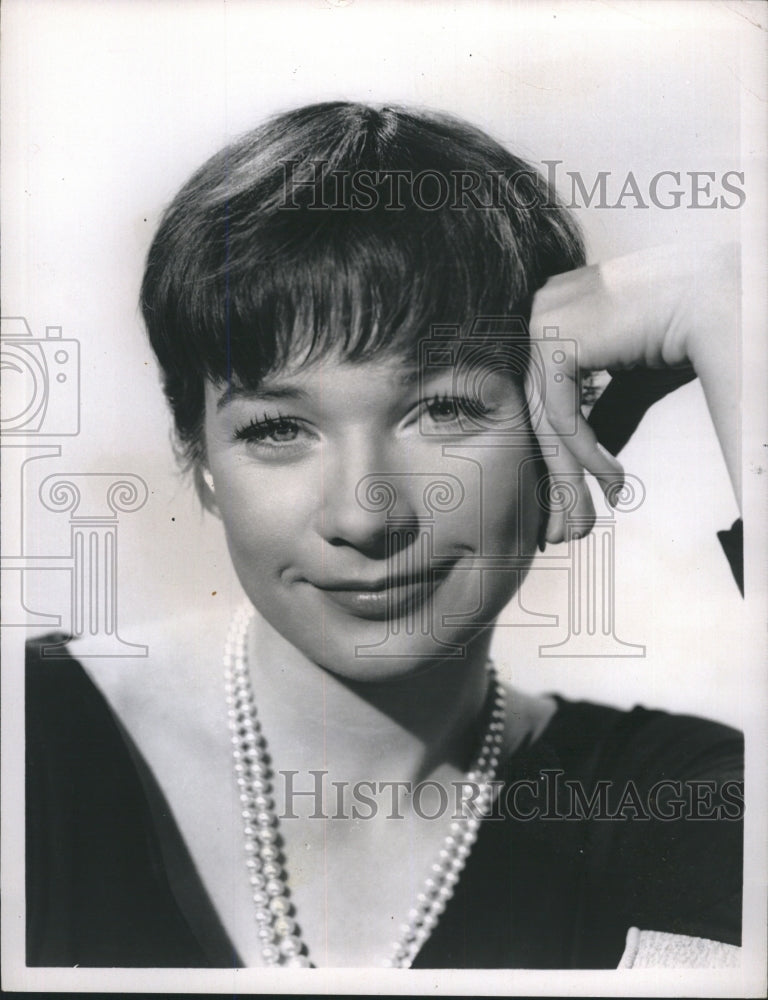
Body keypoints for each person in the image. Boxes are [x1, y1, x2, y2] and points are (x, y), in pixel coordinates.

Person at [26, 102, 743, 970]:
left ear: (557, 425)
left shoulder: (671, 801)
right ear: (202, 460)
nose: (365, 517)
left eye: (441, 409)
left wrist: (732, 316)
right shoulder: (30, 740)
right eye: (276, 430)